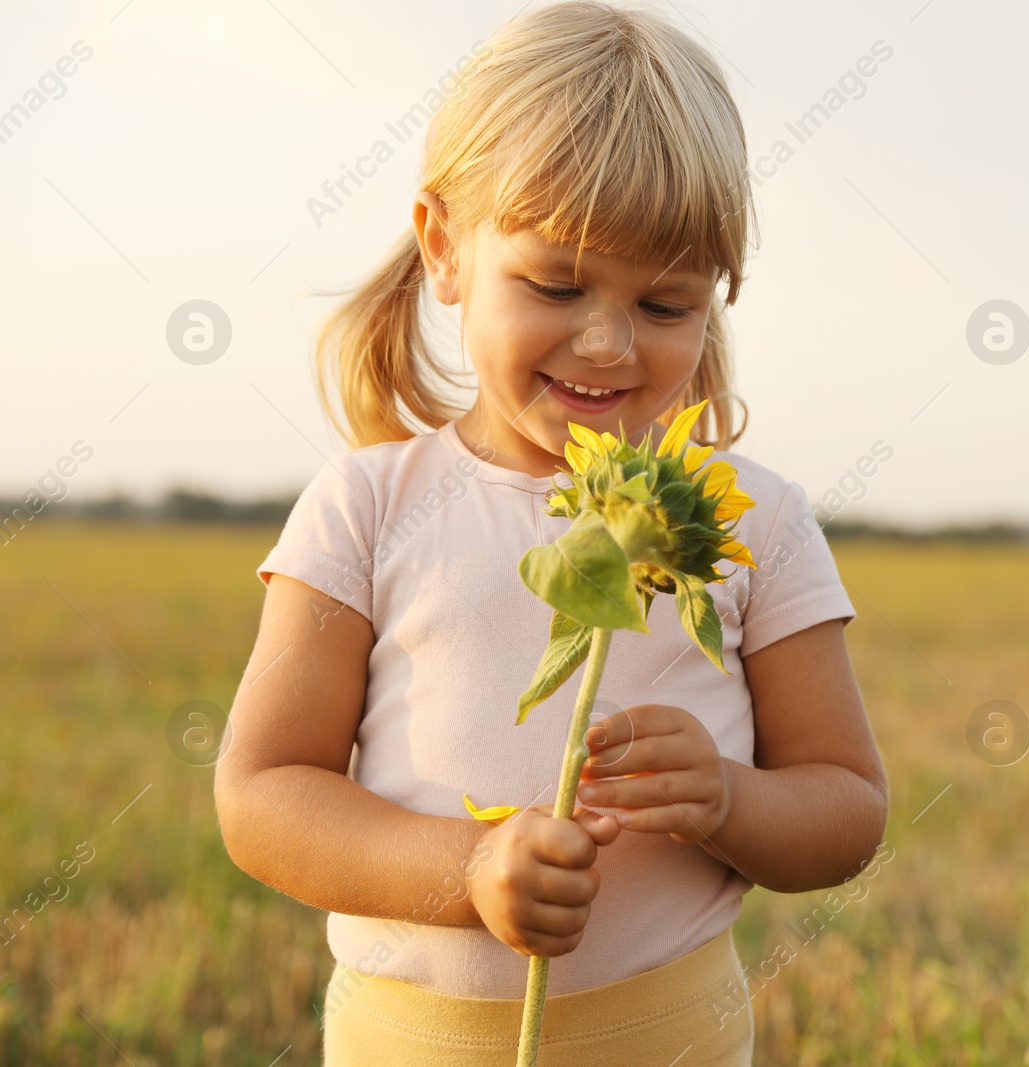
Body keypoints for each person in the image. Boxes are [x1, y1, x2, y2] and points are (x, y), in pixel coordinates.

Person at [211, 3, 889, 1063]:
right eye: (556, 284)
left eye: (667, 305)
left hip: (668, 1033)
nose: (608, 341)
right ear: (445, 249)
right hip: (412, 1039)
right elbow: (264, 796)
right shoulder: (368, 505)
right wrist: (468, 868)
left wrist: (726, 796)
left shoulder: (749, 520)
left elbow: (847, 808)